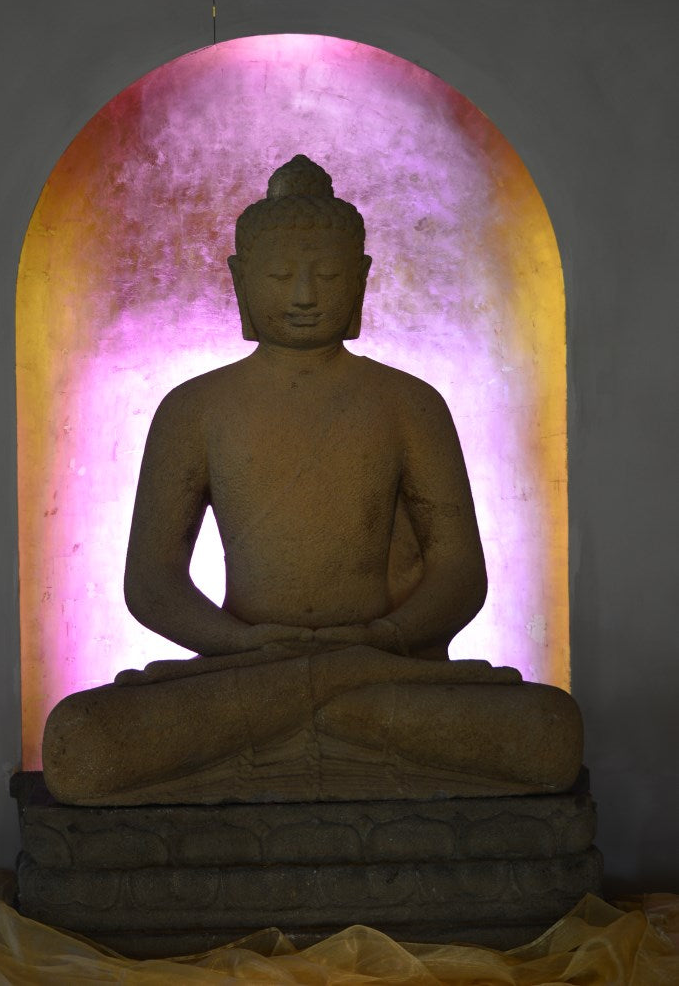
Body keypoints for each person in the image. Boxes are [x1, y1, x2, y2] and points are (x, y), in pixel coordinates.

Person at [43, 155, 582, 806]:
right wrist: (240, 643)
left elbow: (459, 573)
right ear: (241, 282)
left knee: (548, 731)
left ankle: (297, 729)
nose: (303, 294)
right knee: (80, 742)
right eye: (280, 275)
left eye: (326, 275)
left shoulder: (406, 404)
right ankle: (327, 724)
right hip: (246, 672)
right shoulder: (195, 409)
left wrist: (380, 639)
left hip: (379, 669)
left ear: (358, 281)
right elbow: (152, 584)